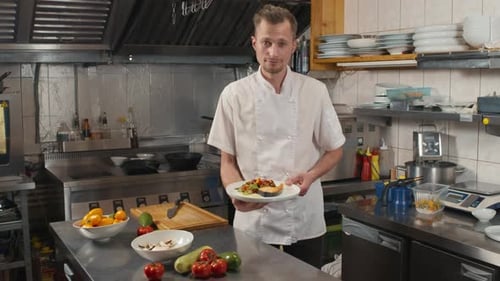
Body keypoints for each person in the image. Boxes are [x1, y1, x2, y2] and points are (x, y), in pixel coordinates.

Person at [207, 4, 345, 268]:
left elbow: (335, 149)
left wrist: (311, 175)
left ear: (294, 45)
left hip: (304, 217)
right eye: (266, 42)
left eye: (281, 43)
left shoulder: (314, 92)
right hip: (254, 220)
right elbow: (227, 161)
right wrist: (237, 193)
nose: (273, 52)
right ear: (254, 43)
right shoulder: (234, 95)